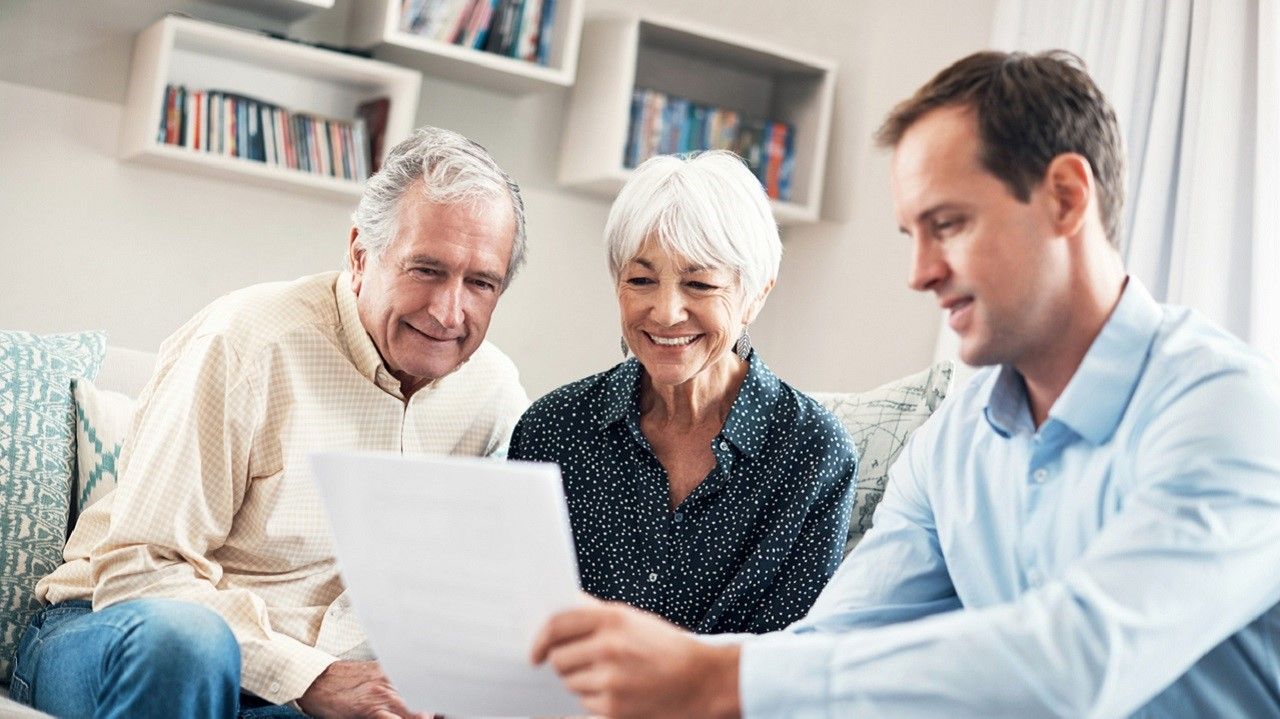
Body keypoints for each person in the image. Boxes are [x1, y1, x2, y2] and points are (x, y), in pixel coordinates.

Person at [529, 50, 1280, 718]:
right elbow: (834, 640)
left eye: (947, 224)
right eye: (911, 234)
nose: (920, 272)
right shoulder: (953, 443)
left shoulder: (1225, 410)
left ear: (1065, 197)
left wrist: (718, 676)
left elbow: (1077, 662)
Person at [13, 126, 532, 719]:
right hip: (116, 635)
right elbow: (138, 570)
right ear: (361, 256)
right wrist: (311, 679)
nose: (448, 312)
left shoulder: (493, 394)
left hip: (314, 694)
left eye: (480, 283)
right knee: (190, 643)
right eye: (426, 270)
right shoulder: (246, 343)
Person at [508, 151, 857, 635]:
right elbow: (516, 617)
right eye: (641, 280)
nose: (667, 312)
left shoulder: (812, 451)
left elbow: (790, 659)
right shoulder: (553, 430)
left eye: (699, 283)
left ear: (756, 294)